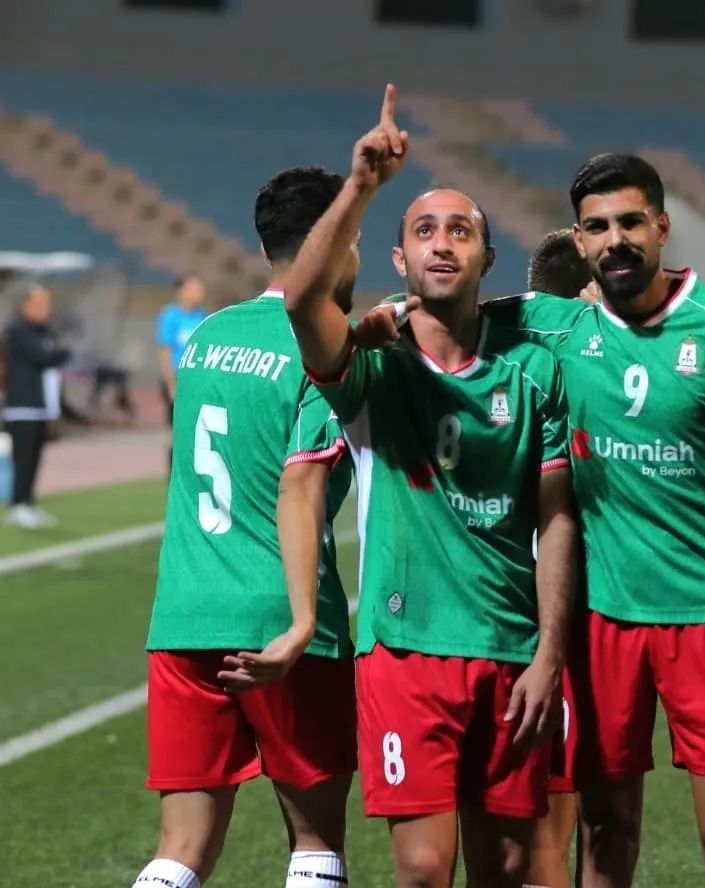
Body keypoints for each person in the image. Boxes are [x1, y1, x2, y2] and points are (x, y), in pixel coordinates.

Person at [282, 86, 578, 888]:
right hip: (407, 652)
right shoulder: (373, 368)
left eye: (460, 230)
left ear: (486, 258)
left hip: (510, 648)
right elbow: (303, 302)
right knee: (420, 867)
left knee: (508, 865)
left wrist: (550, 654)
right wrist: (361, 185)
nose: (442, 243)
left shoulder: (534, 372)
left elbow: (556, 521)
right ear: (399, 261)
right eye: (423, 231)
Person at [481, 153, 705, 888]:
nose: (617, 240)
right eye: (598, 227)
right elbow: (445, 319)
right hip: (603, 620)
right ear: (579, 241)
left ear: (663, 227)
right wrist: (389, 316)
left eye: (631, 222)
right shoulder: (556, 326)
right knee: (607, 830)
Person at [134, 167, 359, 888]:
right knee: (316, 844)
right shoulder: (325, 347)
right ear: (341, 244)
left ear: (265, 249)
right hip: (283, 620)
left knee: (180, 850)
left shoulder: (206, 337)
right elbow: (303, 480)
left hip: (185, 615)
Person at [524, 227, 592, 888]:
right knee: (574, 812)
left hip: (503, 597)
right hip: (578, 601)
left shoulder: (499, 340)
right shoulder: (593, 348)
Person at [2, 283, 70, 529]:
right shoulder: (18, 330)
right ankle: (18, 504)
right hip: (23, 406)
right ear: (25, 305)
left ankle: (29, 502)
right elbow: (44, 357)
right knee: (22, 458)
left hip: (42, 407)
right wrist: (58, 354)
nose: (45, 309)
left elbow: (56, 354)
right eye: (39, 304)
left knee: (35, 458)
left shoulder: (45, 331)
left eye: (46, 304)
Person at [156, 274, 208, 466]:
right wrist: (171, 385)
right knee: (176, 430)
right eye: (193, 288)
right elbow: (164, 350)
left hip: (196, 379)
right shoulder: (171, 315)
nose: (199, 292)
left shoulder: (202, 316)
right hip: (178, 378)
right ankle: (173, 471)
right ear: (181, 291)